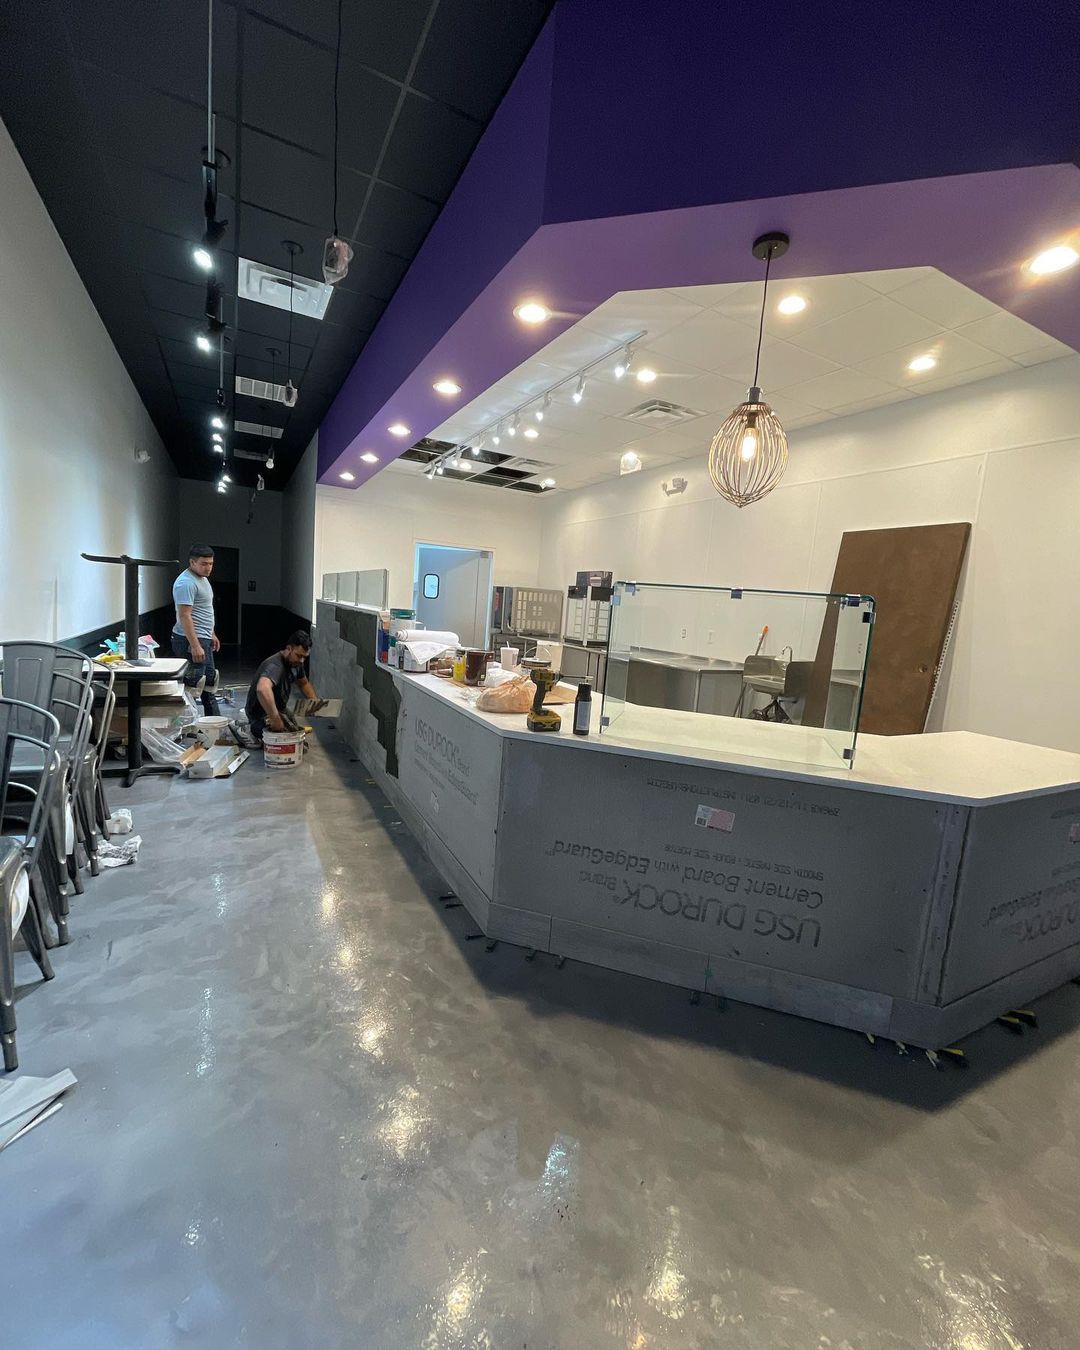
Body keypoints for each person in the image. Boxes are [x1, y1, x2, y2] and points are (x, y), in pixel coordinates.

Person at [172, 544, 220, 715]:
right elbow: (185, 615)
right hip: (190, 640)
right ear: (192, 562)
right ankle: (189, 729)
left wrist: (211, 633)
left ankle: (214, 726)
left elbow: (205, 609)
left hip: (203, 638)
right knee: (192, 688)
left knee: (209, 685)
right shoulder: (186, 583)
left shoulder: (202, 579)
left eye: (211, 563)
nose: (208, 568)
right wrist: (195, 645)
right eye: (204, 563)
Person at [245, 631, 320, 741]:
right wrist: (275, 718)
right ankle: (247, 729)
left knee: (294, 732)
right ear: (289, 649)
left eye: (305, 657)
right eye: (299, 656)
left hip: (280, 708)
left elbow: (304, 683)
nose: (302, 660)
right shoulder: (275, 665)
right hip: (260, 713)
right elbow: (262, 689)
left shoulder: (297, 663)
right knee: (280, 737)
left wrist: (315, 703)